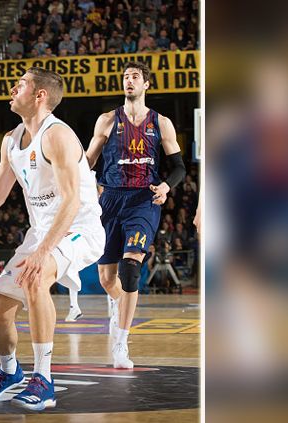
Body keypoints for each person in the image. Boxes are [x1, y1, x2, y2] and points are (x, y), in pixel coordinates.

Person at [0, 68, 104, 411]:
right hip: (41, 232)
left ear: (39, 95)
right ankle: (9, 372)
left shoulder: (58, 136)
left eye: (21, 84)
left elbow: (71, 201)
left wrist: (43, 252)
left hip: (78, 228)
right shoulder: (11, 140)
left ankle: (44, 379)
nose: (14, 88)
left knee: (36, 278)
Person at [86, 61, 185, 369]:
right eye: (126, 77)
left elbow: (180, 167)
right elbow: (86, 162)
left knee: (131, 269)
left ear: (146, 85)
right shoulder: (105, 120)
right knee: (107, 278)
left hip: (144, 199)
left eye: (135, 77)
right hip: (110, 199)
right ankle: (118, 304)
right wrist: (85, 187)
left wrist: (167, 185)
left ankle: (121, 343)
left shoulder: (161, 123)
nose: (129, 81)